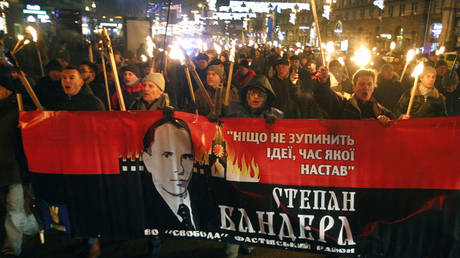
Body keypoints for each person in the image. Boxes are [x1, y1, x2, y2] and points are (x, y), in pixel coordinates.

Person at [222, 74, 283, 258]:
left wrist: (276, 126)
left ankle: (248, 240)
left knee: (254, 209)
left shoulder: (276, 115)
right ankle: (232, 245)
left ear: (267, 98)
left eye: (260, 94)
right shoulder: (233, 113)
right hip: (236, 170)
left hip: (261, 173)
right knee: (233, 208)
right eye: (251, 93)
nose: (255, 97)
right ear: (246, 95)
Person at [0, 64, 39, 257]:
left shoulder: (19, 110)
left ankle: (10, 250)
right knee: (14, 211)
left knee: (14, 210)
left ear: (6, 90)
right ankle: (33, 226)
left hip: (14, 169)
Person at [313, 67, 395, 125]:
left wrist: (388, 122)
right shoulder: (344, 105)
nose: (366, 87)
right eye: (361, 84)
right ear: (354, 87)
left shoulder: (382, 111)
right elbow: (327, 97)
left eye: (369, 84)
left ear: (373, 87)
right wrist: (323, 83)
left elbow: (397, 127)